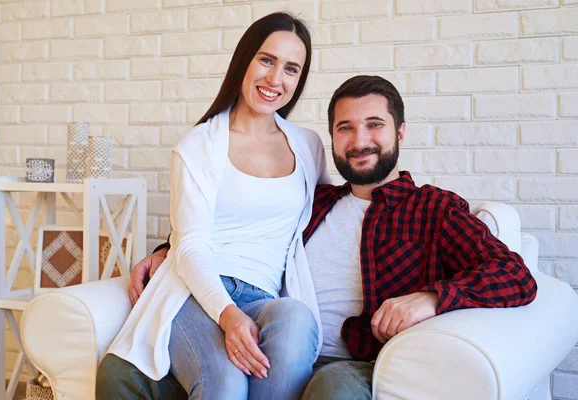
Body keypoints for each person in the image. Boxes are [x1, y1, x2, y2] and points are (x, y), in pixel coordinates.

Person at [127, 74, 538, 399]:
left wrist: (430, 298)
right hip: (271, 345)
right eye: (345, 128)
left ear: (400, 132)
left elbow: (515, 276)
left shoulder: (433, 209)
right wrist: (167, 249)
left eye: (374, 125)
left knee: (332, 390)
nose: (359, 141)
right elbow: (237, 224)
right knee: (151, 379)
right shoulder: (314, 200)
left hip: (351, 362)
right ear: (332, 140)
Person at [96, 12, 330, 400]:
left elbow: (328, 211)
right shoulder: (198, 146)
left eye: (291, 68)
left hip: (264, 296)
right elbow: (192, 244)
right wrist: (228, 314)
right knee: (225, 383)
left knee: (297, 317)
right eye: (266, 60)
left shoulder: (308, 146)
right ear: (244, 61)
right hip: (195, 291)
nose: (275, 79)